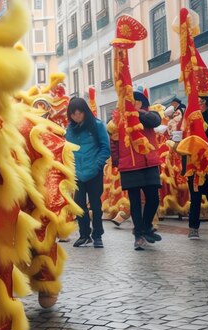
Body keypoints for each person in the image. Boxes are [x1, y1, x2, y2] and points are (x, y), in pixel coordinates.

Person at [111, 90, 162, 250]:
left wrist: (136, 113)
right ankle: (138, 234)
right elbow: (113, 141)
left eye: (135, 101)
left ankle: (146, 227)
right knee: (135, 202)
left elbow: (155, 121)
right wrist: (117, 160)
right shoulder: (118, 119)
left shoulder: (149, 115)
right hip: (130, 165)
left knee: (153, 198)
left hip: (149, 162)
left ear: (141, 103)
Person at [65, 97, 111, 248]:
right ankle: (84, 234)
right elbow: (66, 150)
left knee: (96, 205)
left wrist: (97, 164)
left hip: (94, 171)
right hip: (77, 173)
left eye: (79, 113)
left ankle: (97, 235)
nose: (77, 117)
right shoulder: (69, 130)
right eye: (73, 114)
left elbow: (105, 147)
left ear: (85, 112)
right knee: (79, 205)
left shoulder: (97, 125)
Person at [186, 95, 208, 240]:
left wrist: (204, 127)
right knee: (195, 199)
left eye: (198, 102)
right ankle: (193, 228)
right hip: (194, 165)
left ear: (204, 103)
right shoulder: (190, 121)